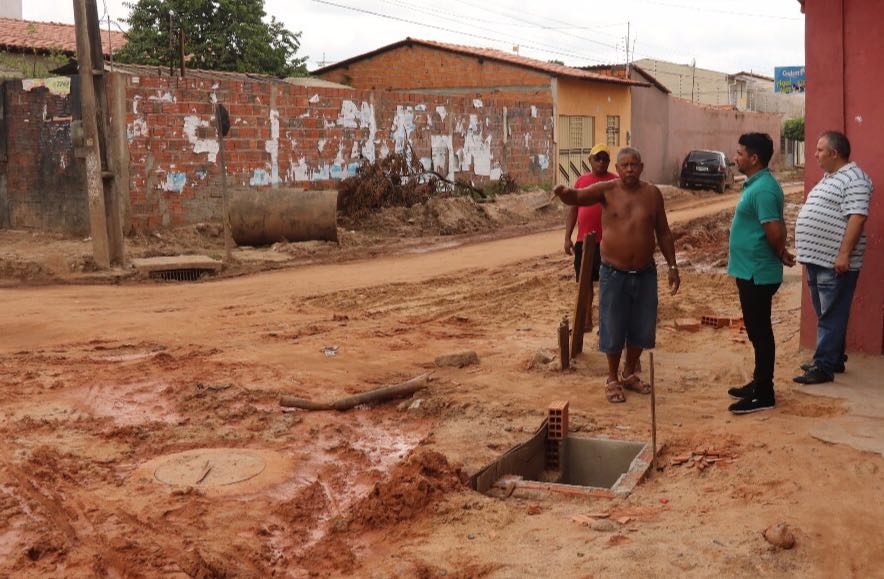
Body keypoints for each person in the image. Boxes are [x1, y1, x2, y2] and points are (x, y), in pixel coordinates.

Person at [554, 147, 679, 404]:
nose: (630, 169)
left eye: (634, 164)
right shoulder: (606, 190)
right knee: (612, 325)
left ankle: (629, 372)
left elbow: (664, 233)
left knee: (643, 327)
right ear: (618, 169)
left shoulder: (653, 194)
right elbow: (577, 197)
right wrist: (564, 194)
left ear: (642, 167)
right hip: (613, 272)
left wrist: (673, 266)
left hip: (645, 272)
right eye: (625, 165)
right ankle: (612, 377)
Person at [793, 131, 873, 384]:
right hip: (818, 260)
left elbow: (858, 216)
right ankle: (834, 358)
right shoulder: (831, 177)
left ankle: (824, 367)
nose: (815, 155)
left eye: (819, 150)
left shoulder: (855, 179)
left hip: (834, 262)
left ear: (834, 153)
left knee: (831, 314)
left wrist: (844, 254)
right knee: (827, 313)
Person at [726, 133, 795, 415]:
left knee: (760, 332)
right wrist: (780, 252)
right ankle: (758, 382)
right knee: (757, 331)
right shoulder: (756, 185)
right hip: (751, 270)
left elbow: (775, 230)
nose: (735, 157)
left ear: (754, 159)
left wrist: (780, 252)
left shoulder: (764, 189)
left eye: (740, 153)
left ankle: (765, 393)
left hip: (757, 273)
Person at [563, 143, 619, 330]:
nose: (601, 162)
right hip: (584, 242)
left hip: (609, 243)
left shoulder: (615, 183)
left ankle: (606, 322)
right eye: (598, 158)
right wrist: (567, 237)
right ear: (590, 160)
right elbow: (572, 210)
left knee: (608, 282)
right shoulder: (581, 182)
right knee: (584, 284)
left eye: (605, 159)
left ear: (609, 162)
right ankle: (586, 320)